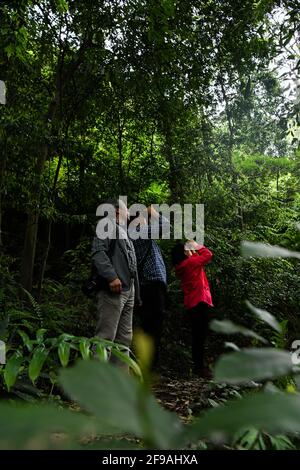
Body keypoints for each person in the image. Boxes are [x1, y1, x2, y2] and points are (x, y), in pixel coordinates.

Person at [91, 199, 139, 368]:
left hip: (129, 290)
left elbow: (131, 263)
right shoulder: (106, 224)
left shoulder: (124, 231)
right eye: (127, 210)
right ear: (118, 211)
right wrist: (111, 277)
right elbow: (98, 252)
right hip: (114, 289)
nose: (129, 213)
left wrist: (136, 292)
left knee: (124, 339)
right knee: (105, 337)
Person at [128, 206, 170, 367]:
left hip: (148, 286)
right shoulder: (137, 232)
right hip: (150, 286)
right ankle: (149, 366)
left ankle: (148, 365)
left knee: (150, 325)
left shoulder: (137, 235)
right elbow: (165, 226)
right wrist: (153, 212)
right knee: (153, 326)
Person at [171, 240, 213, 377]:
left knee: (197, 336)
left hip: (192, 303)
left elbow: (197, 259)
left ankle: (199, 367)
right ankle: (200, 368)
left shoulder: (184, 266)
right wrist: (196, 246)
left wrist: (192, 251)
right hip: (200, 301)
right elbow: (208, 255)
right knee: (200, 336)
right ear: (184, 253)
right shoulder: (190, 263)